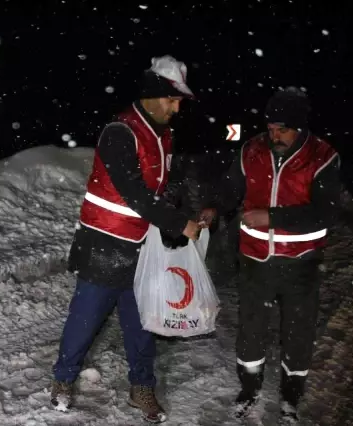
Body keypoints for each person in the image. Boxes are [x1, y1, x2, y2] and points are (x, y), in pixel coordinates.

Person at [50, 55, 202, 424]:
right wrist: (178, 223)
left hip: (142, 245)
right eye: (172, 99)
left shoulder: (163, 134)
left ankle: (141, 387)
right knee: (85, 320)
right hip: (104, 243)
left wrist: (176, 207)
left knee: (142, 322)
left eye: (180, 100)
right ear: (152, 95)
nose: (177, 107)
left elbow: (161, 185)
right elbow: (134, 191)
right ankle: (63, 380)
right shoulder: (120, 131)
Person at [201, 87, 342, 420]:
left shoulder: (322, 156)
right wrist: (215, 208)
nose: (274, 136)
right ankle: (249, 388)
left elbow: (326, 212)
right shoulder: (251, 150)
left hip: (301, 263)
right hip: (255, 260)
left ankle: (291, 395)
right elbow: (230, 188)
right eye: (271, 128)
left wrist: (275, 217)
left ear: (301, 127)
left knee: (298, 331)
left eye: (283, 129)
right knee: (251, 327)